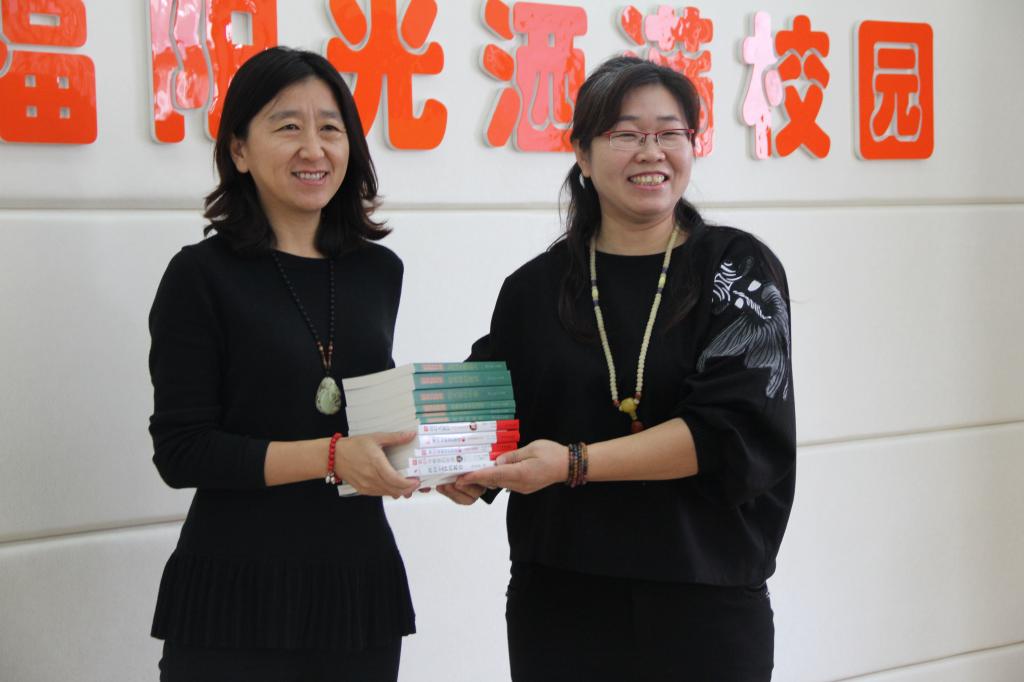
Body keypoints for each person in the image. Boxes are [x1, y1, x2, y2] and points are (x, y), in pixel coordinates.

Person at [442, 56, 796, 681]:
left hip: (704, 601)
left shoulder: (736, 271)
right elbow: (490, 407)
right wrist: (450, 463)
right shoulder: (535, 288)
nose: (650, 152)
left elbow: (726, 431)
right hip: (561, 602)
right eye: (626, 134)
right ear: (582, 154)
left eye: (669, 133)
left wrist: (573, 463)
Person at [148, 47, 421, 682]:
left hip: (356, 586)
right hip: (235, 587)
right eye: (288, 126)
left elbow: (365, 415)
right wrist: (332, 457)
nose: (313, 148)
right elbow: (182, 452)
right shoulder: (200, 276)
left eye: (331, 127)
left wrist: (432, 457)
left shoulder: (378, 271)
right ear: (239, 150)